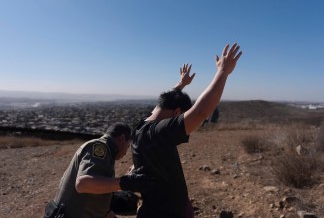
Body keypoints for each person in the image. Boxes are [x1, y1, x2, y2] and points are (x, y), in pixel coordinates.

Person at [131, 43, 242, 218]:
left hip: (153, 207)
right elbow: (200, 112)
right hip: (168, 212)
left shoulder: (142, 126)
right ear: (176, 113)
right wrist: (223, 72)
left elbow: (162, 104)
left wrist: (180, 85)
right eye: (180, 116)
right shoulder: (159, 133)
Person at [44, 122, 152, 218]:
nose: (125, 152)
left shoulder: (108, 153)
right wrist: (127, 182)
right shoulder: (100, 147)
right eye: (128, 146)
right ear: (122, 138)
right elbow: (83, 184)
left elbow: (98, 199)